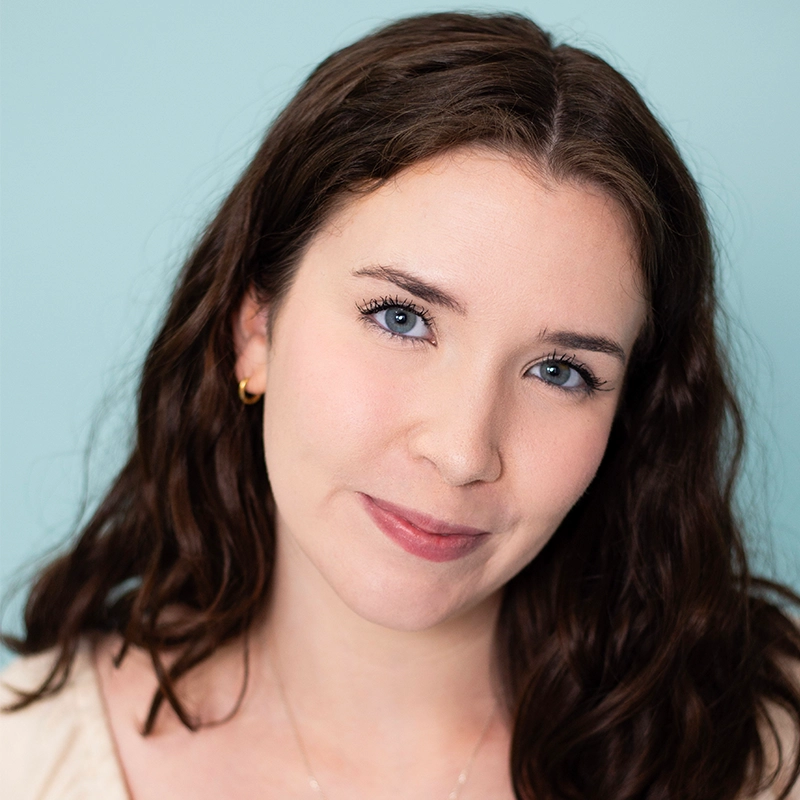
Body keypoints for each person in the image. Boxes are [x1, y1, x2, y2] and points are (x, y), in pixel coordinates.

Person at [1, 10, 799, 800]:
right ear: (256, 329)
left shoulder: (766, 752)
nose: (461, 452)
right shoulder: (26, 760)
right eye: (401, 319)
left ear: (628, 415)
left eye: (560, 372)